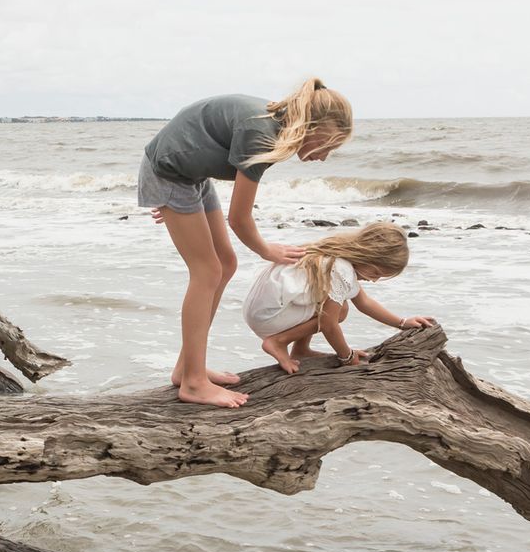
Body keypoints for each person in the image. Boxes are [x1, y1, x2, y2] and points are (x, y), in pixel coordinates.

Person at [138, 78, 354, 407]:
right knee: (207, 271)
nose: (324, 157)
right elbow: (239, 219)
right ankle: (193, 383)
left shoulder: (273, 127)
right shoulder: (263, 134)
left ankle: (187, 369)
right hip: (171, 172)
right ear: (312, 127)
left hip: (187, 173)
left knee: (225, 264)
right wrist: (267, 250)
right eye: (328, 145)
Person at [241, 222, 436, 373]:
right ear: (367, 256)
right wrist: (347, 356)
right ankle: (278, 342)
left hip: (261, 310)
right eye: (376, 273)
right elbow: (329, 324)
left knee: (330, 303)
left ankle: (301, 350)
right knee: (339, 311)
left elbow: (364, 302)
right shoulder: (341, 269)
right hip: (270, 316)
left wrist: (402, 323)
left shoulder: (335, 253)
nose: (375, 280)